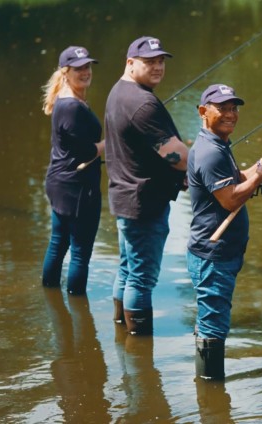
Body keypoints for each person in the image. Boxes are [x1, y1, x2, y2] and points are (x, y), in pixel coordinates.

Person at [187, 83, 262, 380]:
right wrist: (259, 178)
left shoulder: (216, 144)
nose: (230, 114)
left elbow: (232, 180)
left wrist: (260, 166)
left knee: (212, 320)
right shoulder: (210, 152)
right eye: (222, 108)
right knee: (213, 326)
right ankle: (210, 392)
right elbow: (230, 198)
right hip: (212, 256)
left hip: (218, 255)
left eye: (234, 108)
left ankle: (209, 392)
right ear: (203, 111)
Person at [105, 36, 189, 335]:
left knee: (128, 270)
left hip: (124, 196)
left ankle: (121, 330)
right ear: (130, 63)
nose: (157, 67)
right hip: (144, 203)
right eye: (149, 62)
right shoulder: (141, 103)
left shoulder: (119, 92)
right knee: (141, 279)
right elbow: (176, 157)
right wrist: (205, 163)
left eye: (160, 61)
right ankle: (139, 343)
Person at [41, 45, 105, 295]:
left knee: (58, 243)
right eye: (79, 68)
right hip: (76, 189)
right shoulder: (72, 106)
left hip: (61, 183)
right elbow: (87, 152)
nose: (86, 72)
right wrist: (110, 143)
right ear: (65, 72)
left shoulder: (67, 99)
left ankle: (51, 299)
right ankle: (78, 309)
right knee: (80, 252)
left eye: (88, 66)